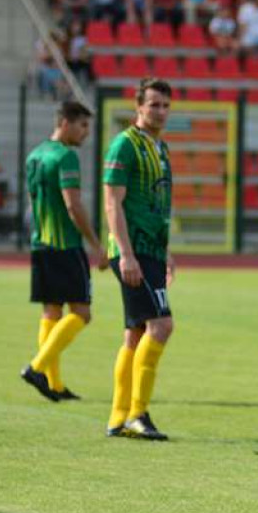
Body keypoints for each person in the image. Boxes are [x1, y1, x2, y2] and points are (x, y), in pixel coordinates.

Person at [103, 77, 176, 441]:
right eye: (153, 105)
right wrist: (127, 254)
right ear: (138, 107)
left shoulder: (160, 148)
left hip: (151, 250)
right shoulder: (125, 145)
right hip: (133, 250)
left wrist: (165, 251)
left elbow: (157, 205)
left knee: (135, 333)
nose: (160, 112)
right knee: (161, 326)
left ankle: (119, 417)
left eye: (165, 106)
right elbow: (112, 201)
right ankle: (137, 413)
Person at [20, 101, 106, 402]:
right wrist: (96, 245)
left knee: (51, 312)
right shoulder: (66, 156)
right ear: (65, 123)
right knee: (82, 313)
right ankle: (36, 368)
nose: (86, 133)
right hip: (65, 245)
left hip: (40, 244)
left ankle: (54, 384)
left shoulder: (34, 155)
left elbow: (34, 200)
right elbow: (73, 205)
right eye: (83, 125)